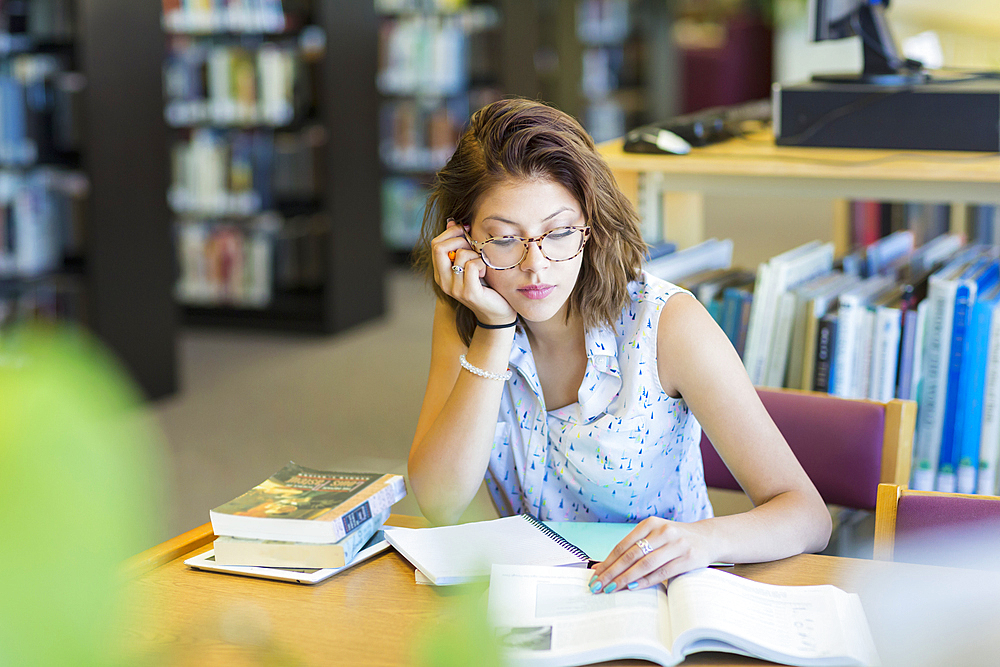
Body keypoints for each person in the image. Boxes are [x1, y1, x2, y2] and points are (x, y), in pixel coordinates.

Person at [407, 98, 831, 593]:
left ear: (590, 225)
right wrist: (494, 331)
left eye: (559, 233)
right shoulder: (469, 311)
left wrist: (702, 541)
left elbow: (808, 515)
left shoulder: (667, 325)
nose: (536, 265)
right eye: (503, 239)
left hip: (661, 595)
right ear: (461, 240)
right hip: (540, 599)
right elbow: (439, 501)